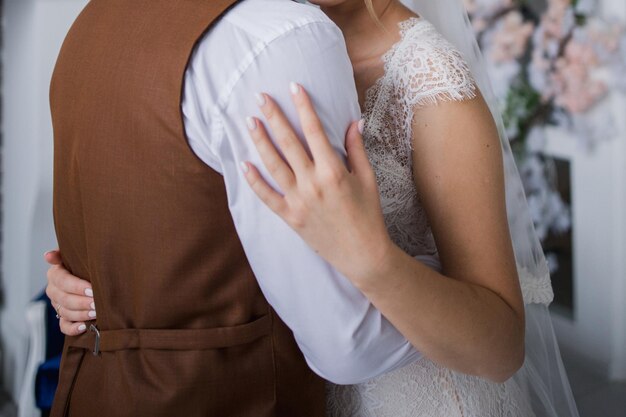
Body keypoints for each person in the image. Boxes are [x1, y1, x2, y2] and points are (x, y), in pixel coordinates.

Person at [47, 0, 580, 415]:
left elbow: (502, 344)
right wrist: (97, 290)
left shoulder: (434, 85)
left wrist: (375, 262)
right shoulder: (258, 48)